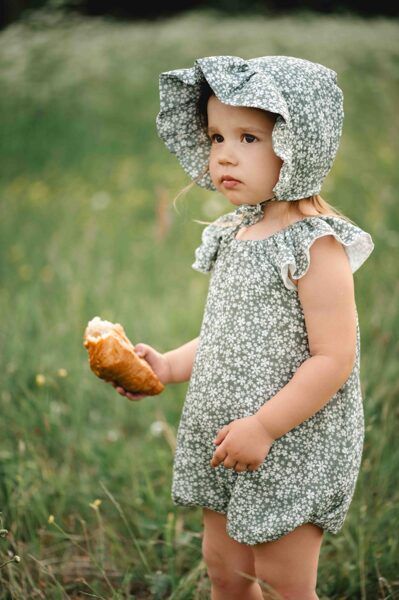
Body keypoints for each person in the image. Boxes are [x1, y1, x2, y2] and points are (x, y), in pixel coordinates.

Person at [107, 55, 375, 599]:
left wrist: (266, 427)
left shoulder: (315, 246)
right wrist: (166, 365)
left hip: (289, 444)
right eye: (215, 137)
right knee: (225, 573)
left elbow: (334, 358)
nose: (224, 154)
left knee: (281, 582)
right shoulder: (235, 234)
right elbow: (231, 336)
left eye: (249, 138)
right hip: (226, 437)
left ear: (299, 145)